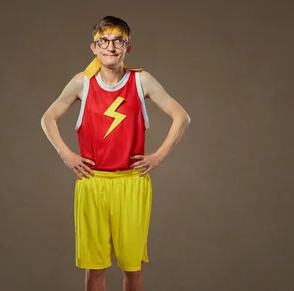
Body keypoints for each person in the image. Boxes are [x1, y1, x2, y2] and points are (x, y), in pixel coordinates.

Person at [40, 15, 191, 291]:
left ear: (127, 47)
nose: (111, 47)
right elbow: (47, 118)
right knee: (95, 269)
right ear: (94, 48)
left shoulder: (141, 81)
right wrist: (66, 154)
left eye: (118, 41)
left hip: (131, 183)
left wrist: (158, 155)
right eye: (104, 41)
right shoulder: (81, 83)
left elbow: (181, 117)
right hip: (93, 183)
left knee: (132, 268)